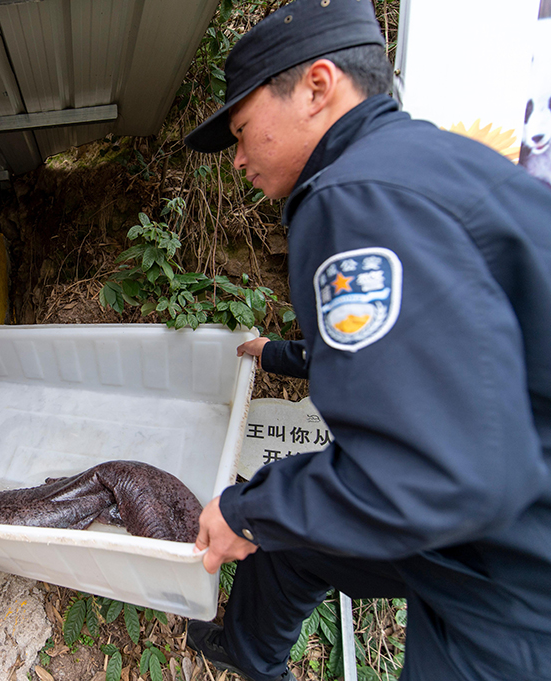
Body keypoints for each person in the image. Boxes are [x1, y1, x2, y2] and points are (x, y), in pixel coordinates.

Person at [181, 1, 551, 680]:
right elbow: (415, 362)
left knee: (267, 511)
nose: (237, 161)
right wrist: (272, 361)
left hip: (511, 585)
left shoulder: (355, 195)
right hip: (497, 513)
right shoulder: (423, 164)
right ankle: (251, 652)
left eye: (242, 130)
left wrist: (246, 508)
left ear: (318, 88)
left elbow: (432, 471)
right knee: (283, 532)